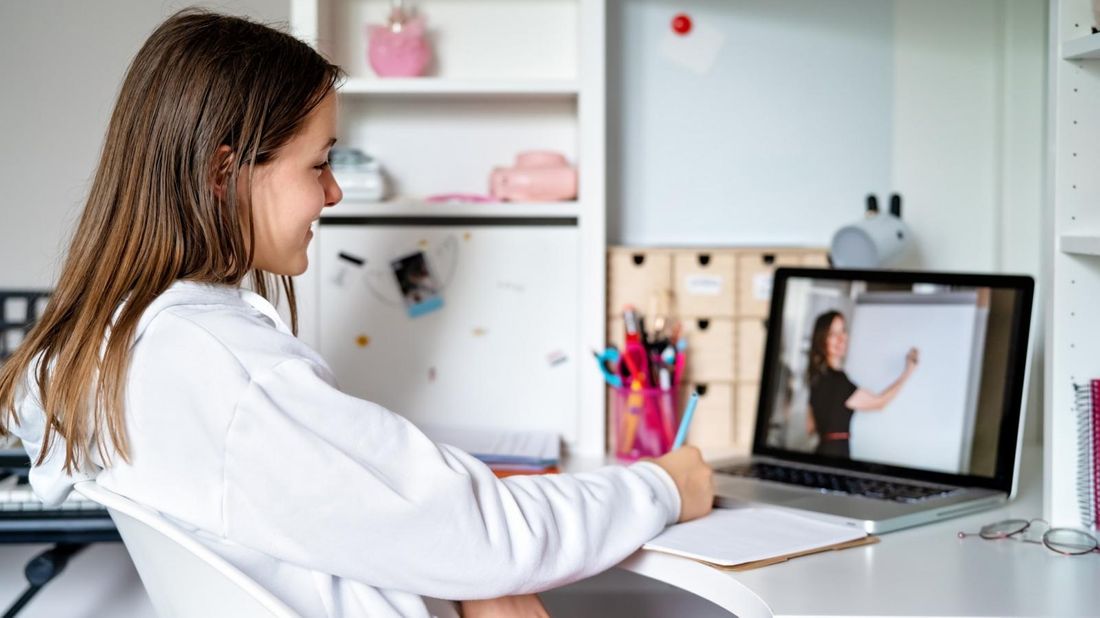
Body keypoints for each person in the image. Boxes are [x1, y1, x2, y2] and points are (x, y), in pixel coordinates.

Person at [0, 10, 714, 618]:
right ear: (223, 175)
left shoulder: (103, 349)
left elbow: (426, 525)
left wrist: (470, 541)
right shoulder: (228, 369)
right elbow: (480, 541)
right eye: (319, 165)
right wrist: (663, 485)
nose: (334, 192)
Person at [805, 310, 918, 458]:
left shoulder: (816, 379)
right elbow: (880, 402)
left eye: (843, 331)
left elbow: (810, 427)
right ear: (822, 340)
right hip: (837, 454)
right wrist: (908, 371)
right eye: (833, 334)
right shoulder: (838, 381)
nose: (841, 338)